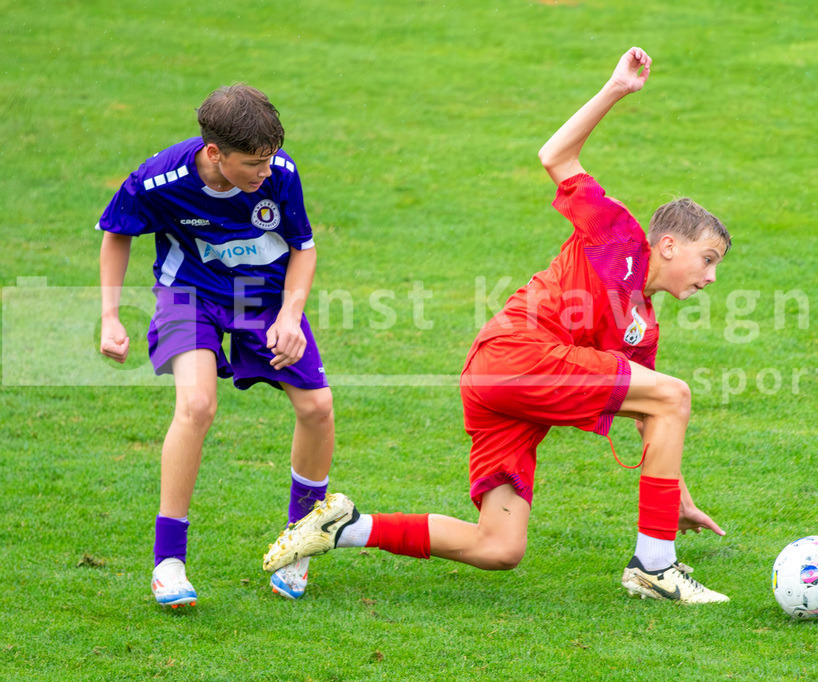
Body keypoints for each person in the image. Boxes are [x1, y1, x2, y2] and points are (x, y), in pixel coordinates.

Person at [263, 47, 732, 603]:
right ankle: (655, 567)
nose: (711, 276)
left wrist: (675, 498)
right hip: (518, 356)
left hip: (499, 387)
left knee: (498, 547)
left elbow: (651, 419)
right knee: (675, 394)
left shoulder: (643, 326)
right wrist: (616, 89)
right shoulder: (618, 234)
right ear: (670, 244)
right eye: (707, 258)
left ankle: (343, 527)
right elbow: (555, 154)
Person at [98, 84, 335, 607]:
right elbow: (117, 232)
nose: (265, 171)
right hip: (190, 292)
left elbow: (304, 248)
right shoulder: (159, 180)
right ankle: (168, 563)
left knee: (317, 407)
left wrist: (291, 318)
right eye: (253, 162)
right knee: (197, 404)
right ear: (214, 154)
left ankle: (299, 545)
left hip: (262, 294)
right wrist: (110, 315)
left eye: (270, 158)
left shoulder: (281, 174)